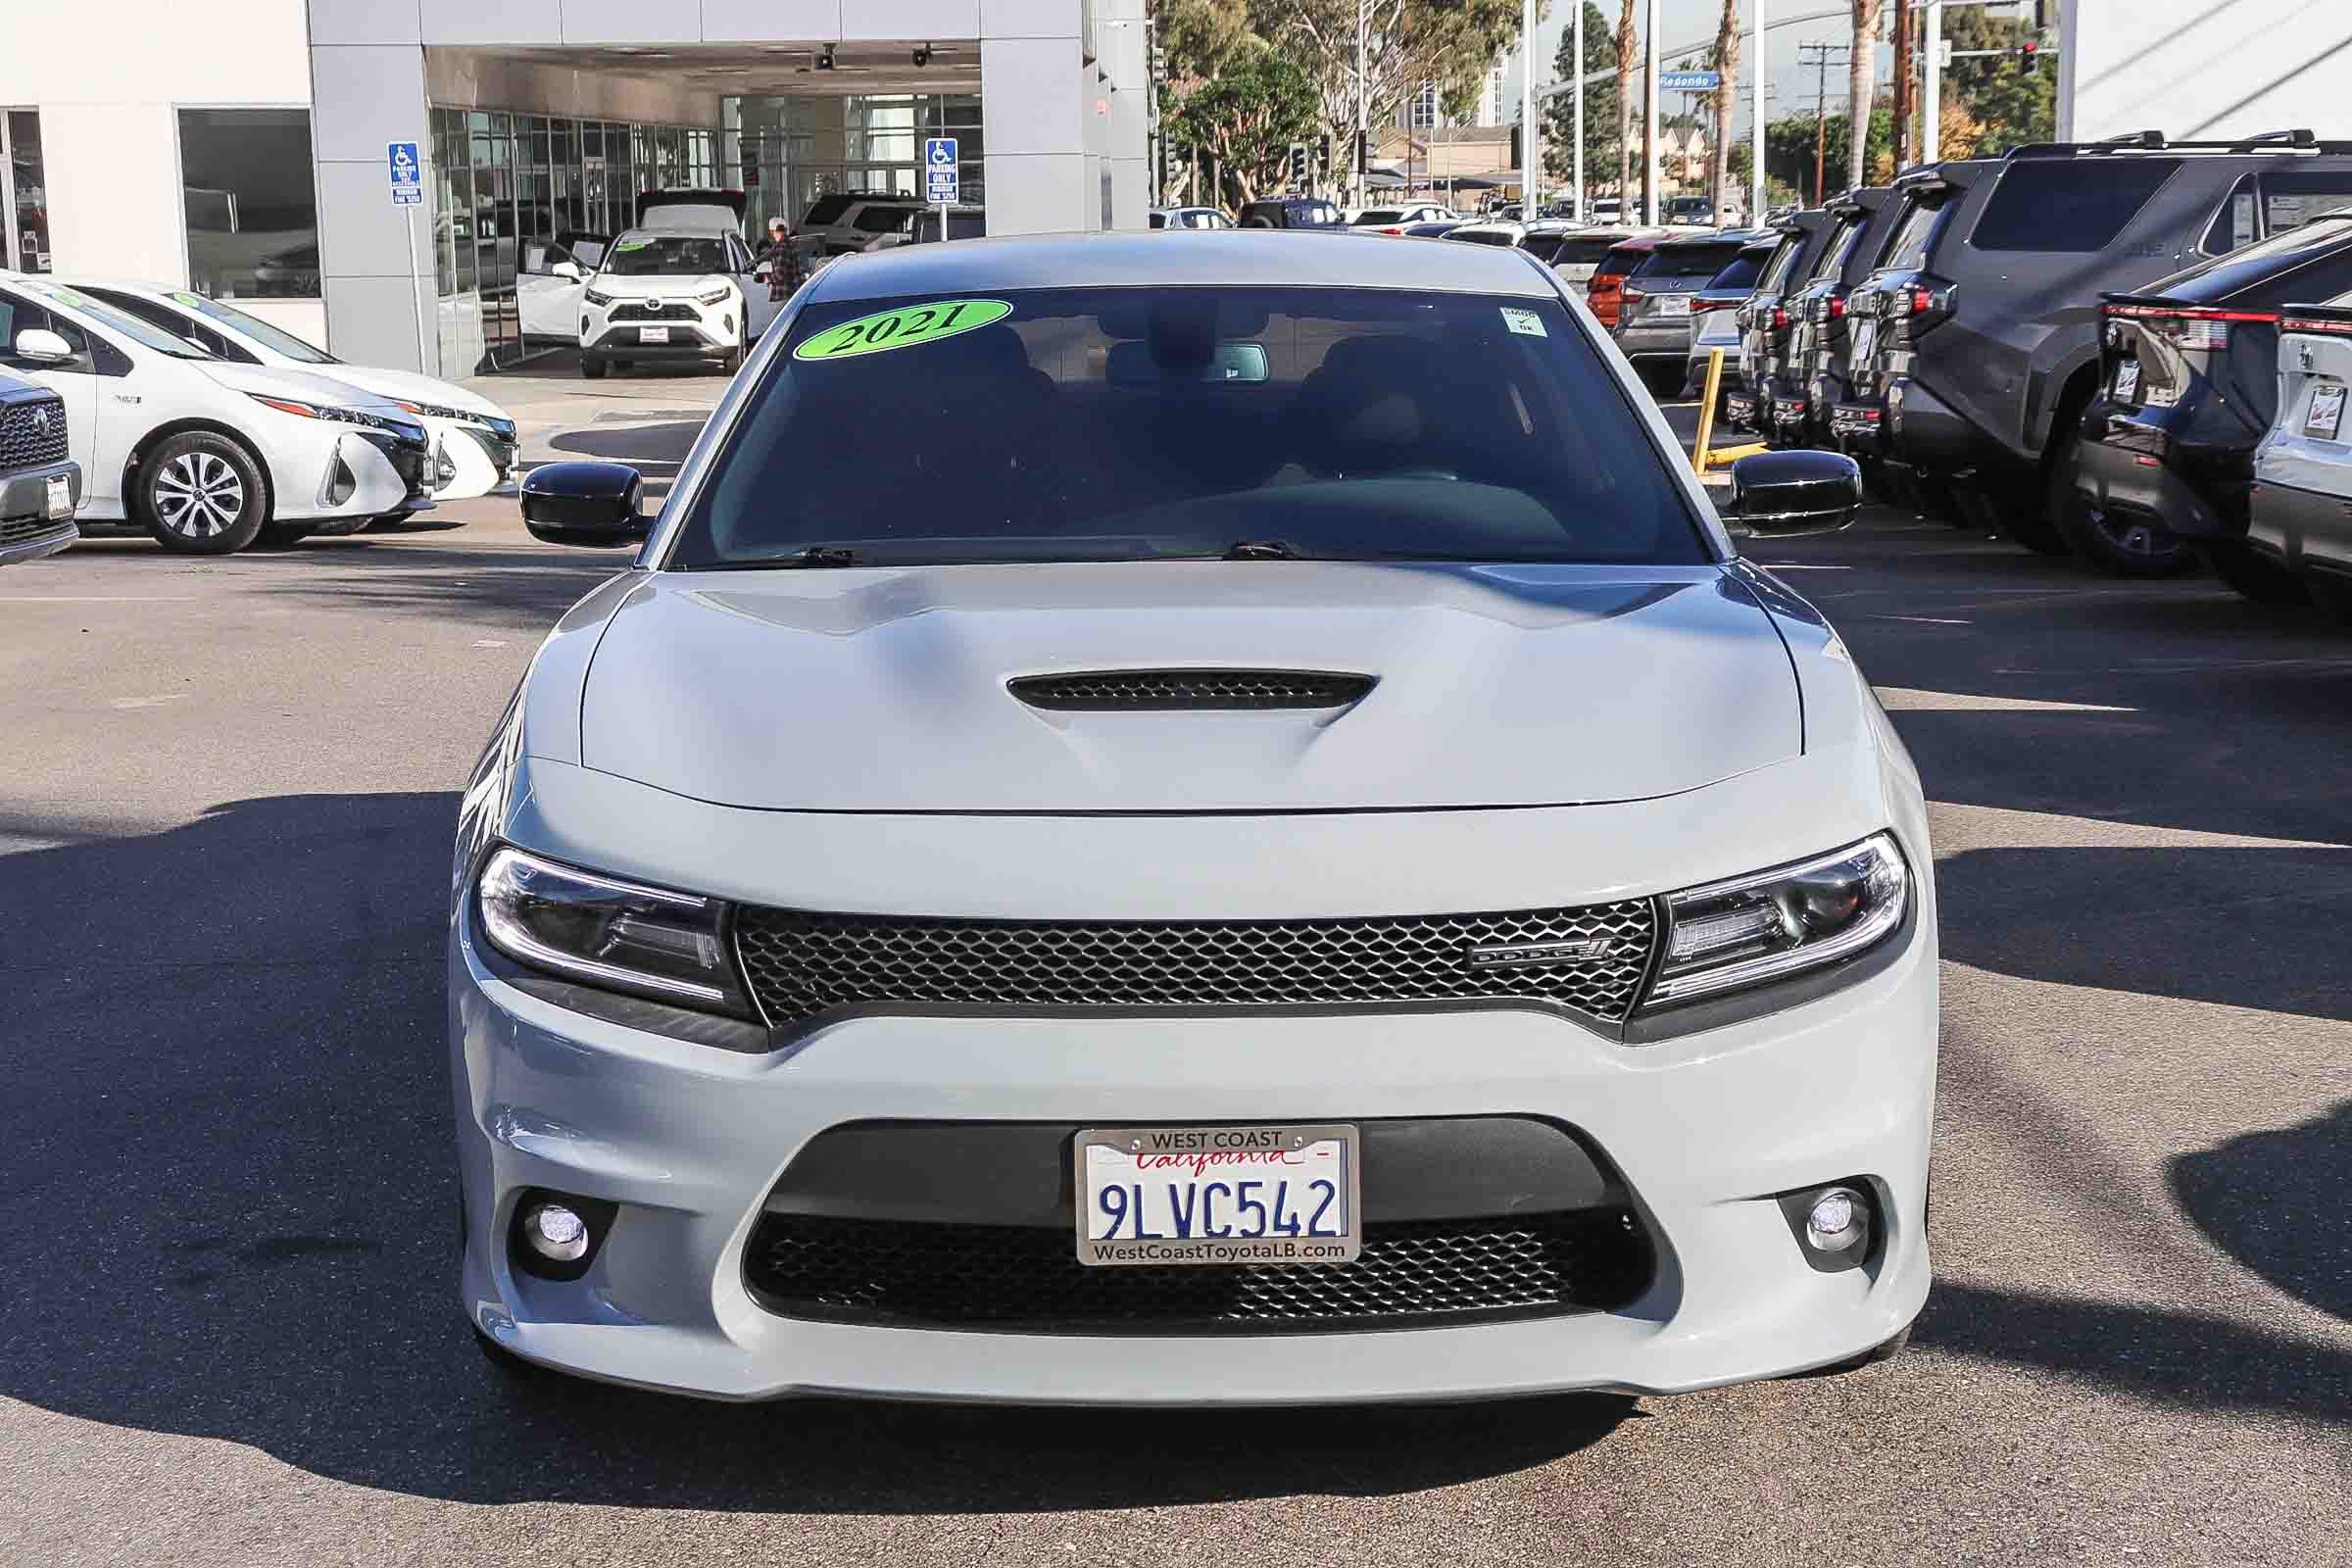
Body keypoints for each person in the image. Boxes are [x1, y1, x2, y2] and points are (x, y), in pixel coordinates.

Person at [761, 218, 809, 304]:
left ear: (772, 232)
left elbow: (779, 275)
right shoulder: (790, 244)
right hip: (793, 294)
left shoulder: (782, 248)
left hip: (784, 296)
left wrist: (765, 278)